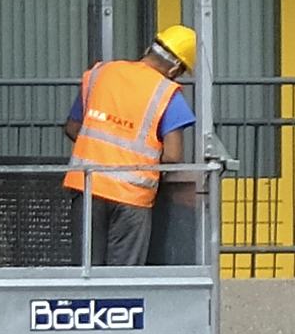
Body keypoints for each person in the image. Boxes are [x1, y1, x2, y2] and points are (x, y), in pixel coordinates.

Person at [64, 17, 205, 265]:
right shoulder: (166, 92)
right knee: (124, 280)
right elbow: (173, 156)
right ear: (175, 70)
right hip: (131, 196)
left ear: (148, 49)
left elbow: (73, 127)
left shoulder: (101, 74)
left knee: (84, 275)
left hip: (86, 186)